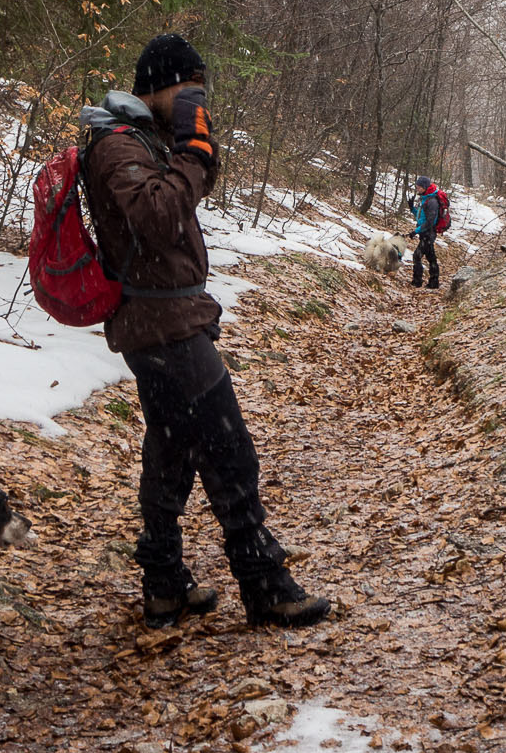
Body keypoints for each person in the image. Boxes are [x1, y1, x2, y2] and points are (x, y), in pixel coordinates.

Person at [79, 33, 330, 630]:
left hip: (164, 324)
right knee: (229, 452)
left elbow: (174, 202)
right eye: (188, 88)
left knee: (171, 452)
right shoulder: (116, 145)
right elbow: (158, 218)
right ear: (159, 85)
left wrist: (191, 151)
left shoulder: (140, 140)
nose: (196, 98)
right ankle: (265, 585)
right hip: (164, 329)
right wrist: (193, 150)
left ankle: (165, 585)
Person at [408, 176, 442, 290]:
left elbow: (430, 221)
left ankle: (417, 281)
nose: (417, 189)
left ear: (425, 187)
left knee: (417, 255)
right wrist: (412, 208)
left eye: (419, 187)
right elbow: (421, 217)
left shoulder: (432, 201)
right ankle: (434, 282)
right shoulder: (425, 198)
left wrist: (415, 231)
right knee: (431, 257)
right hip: (424, 232)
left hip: (428, 233)